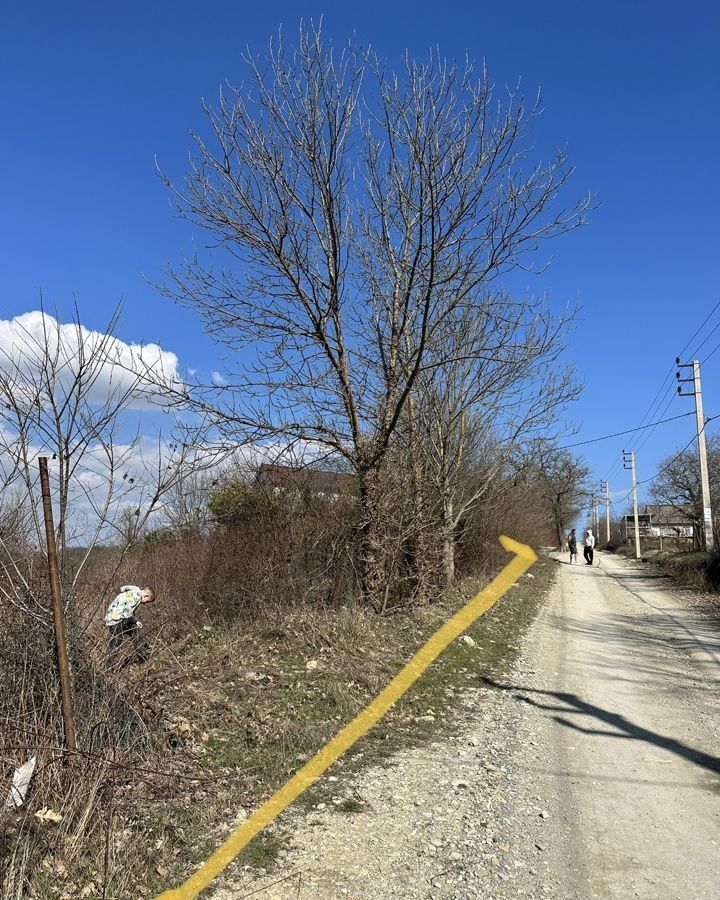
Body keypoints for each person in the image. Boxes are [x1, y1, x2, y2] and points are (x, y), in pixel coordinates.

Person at [104, 584, 156, 663]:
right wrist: (135, 621)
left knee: (135, 631)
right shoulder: (135, 597)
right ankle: (108, 665)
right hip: (115, 620)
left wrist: (135, 621)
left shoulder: (134, 592)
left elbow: (128, 611)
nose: (145, 603)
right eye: (147, 601)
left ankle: (143, 656)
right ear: (146, 596)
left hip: (118, 618)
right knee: (116, 643)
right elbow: (127, 613)